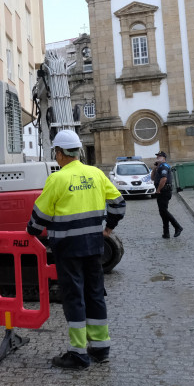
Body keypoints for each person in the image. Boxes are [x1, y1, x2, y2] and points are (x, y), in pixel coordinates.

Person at [26, 130, 126, 370]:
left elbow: (39, 216)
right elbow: (119, 204)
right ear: (78, 151)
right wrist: (108, 228)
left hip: (68, 249)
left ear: (59, 153)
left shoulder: (57, 179)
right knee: (94, 294)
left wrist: (31, 230)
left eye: (56, 153)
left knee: (74, 297)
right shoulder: (96, 174)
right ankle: (101, 348)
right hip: (94, 246)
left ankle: (78, 354)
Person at [152, 151, 183, 238]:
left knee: (164, 211)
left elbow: (164, 179)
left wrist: (158, 190)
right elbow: (152, 178)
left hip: (164, 191)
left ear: (164, 158)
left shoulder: (164, 166)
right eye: (157, 156)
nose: (157, 157)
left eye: (159, 156)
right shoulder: (159, 167)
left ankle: (177, 226)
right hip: (162, 192)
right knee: (162, 212)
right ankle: (166, 233)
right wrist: (154, 167)